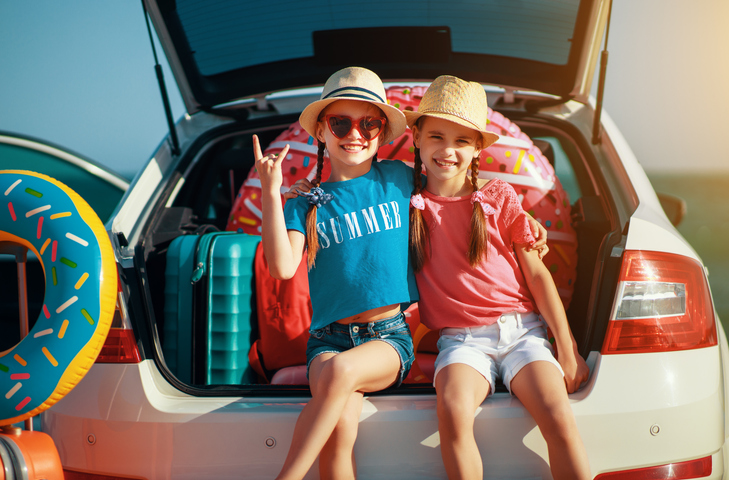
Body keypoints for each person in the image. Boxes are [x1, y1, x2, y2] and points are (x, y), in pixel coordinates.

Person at [406, 76, 591, 479]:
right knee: (453, 412)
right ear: (416, 136)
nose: (448, 150)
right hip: (461, 341)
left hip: (523, 333)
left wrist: (567, 347)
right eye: (436, 136)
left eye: (462, 141)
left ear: (476, 150)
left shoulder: (498, 197)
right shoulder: (406, 204)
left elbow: (538, 277)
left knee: (557, 414)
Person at [256, 66, 418, 480]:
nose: (355, 134)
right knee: (339, 431)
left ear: (382, 132)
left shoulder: (400, 179)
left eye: (369, 124)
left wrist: (518, 216)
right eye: (340, 123)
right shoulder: (305, 203)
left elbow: (459, 189)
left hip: (387, 337)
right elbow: (282, 266)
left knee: (342, 374)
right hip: (326, 341)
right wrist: (271, 193)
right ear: (322, 133)